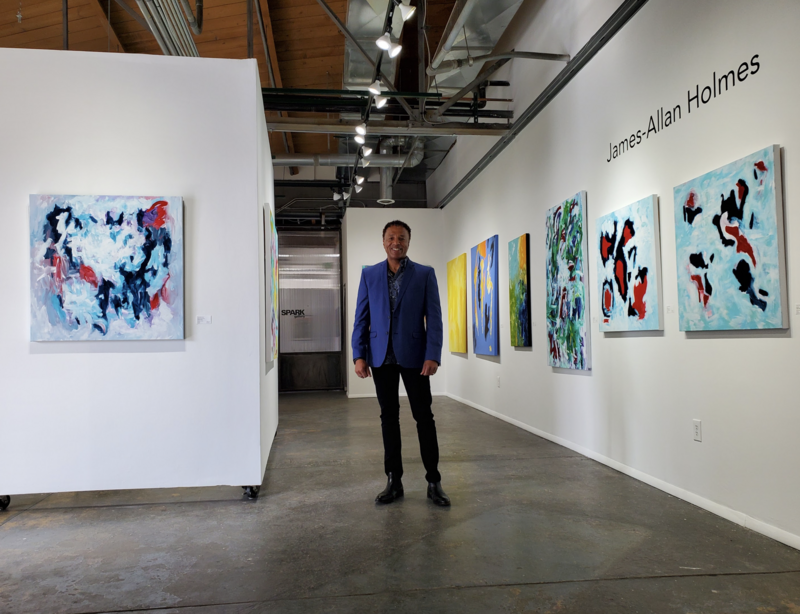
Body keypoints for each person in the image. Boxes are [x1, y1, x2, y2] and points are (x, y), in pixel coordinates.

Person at [352, 220, 450, 507]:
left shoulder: (424, 274)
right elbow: (361, 317)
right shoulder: (369, 275)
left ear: (409, 242)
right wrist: (359, 355)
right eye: (392, 237)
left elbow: (435, 318)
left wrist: (433, 354)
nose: (397, 242)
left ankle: (434, 480)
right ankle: (394, 480)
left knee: (424, 417)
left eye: (402, 238)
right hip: (381, 357)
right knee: (388, 418)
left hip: (415, 357)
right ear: (383, 242)